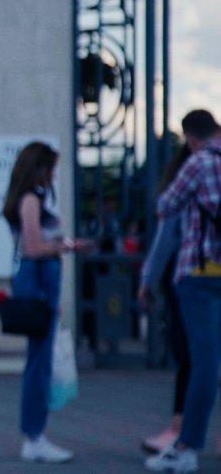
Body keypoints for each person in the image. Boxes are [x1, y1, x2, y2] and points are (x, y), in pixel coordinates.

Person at [2, 141, 94, 464]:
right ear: (39, 169)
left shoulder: (32, 199)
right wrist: (68, 245)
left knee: (40, 361)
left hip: (40, 281)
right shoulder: (30, 200)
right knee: (39, 363)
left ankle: (36, 434)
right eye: (51, 169)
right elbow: (33, 248)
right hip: (38, 280)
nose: (54, 176)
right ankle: (34, 435)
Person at [145, 110, 221, 473]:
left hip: (200, 271)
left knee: (204, 363)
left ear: (190, 138)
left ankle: (187, 448)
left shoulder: (198, 162)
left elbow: (165, 205)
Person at [138, 146, 193, 453]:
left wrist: (147, 280)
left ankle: (179, 430)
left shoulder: (181, 190)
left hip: (187, 278)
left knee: (190, 358)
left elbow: (165, 238)